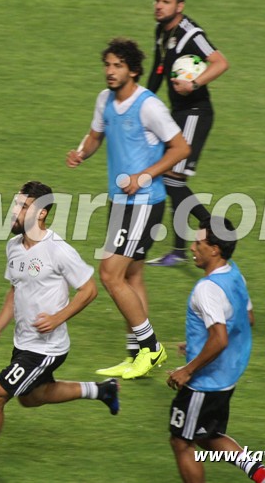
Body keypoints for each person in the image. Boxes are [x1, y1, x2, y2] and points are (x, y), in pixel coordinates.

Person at [0, 181, 119, 471]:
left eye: (22, 206)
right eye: (15, 204)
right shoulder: (14, 246)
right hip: (23, 342)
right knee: (31, 398)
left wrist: (58, 317)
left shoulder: (58, 250)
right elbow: (15, 290)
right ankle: (102, 391)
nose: (14, 211)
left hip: (46, 348)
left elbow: (89, 290)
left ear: (41, 213)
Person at [66, 38, 191, 379]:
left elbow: (181, 147)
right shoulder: (105, 99)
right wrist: (81, 152)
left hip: (144, 204)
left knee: (109, 274)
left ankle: (151, 347)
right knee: (132, 275)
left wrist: (145, 175)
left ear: (133, 70)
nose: (109, 71)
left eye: (117, 65)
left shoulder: (149, 106)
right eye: (107, 64)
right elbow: (95, 136)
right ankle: (137, 355)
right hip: (120, 203)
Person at [167, 217, 265, 483]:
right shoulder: (234, 274)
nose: (193, 248)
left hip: (204, 382)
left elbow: (218, 340)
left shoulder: (206, 289)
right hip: (228, 376)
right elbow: (246, 318)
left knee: (181, 442)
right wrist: (196, 343)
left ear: (214, 248)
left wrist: (187, 369)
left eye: (198, 243)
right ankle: (260, 472)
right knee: (206, 434)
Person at [145, 0, 229, 267]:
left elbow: (220, 62)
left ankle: (215, 232)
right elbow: (158, 70)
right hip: (178, 113)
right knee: (170, 179)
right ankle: (179, 251)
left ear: (179, 7)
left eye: (165, 2)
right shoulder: (161, 31)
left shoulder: (191, 34)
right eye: (157, 1)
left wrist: (193, 83)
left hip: (195, 112)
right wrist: (139, 101)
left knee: (171, 179)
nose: (159, 6)